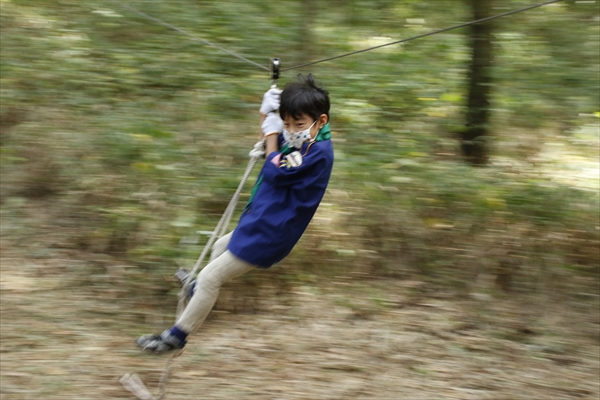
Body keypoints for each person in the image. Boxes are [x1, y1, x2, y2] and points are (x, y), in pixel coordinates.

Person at [137, 74, 334, 353]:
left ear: (321, 121)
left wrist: (271, 132)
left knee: (210, 278)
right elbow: (272, 142)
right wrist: (266, 114)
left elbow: (275, 165)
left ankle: (176, 336)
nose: (291, 129)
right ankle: (197, 294)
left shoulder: (317, 154)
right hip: (260, 221)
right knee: (218, 247)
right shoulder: (304, 141)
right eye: (287, 123)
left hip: (271, 233)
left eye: (298, 124)